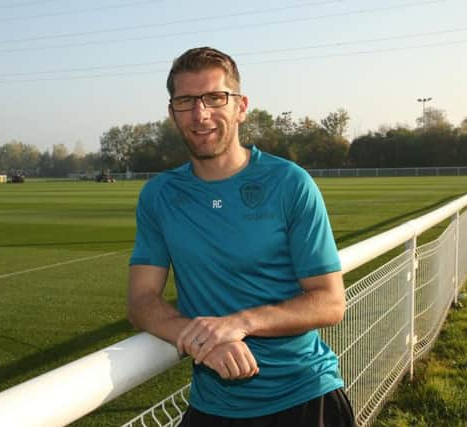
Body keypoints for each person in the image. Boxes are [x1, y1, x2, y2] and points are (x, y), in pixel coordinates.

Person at [127, 46, 355, 426]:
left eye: (215, 98)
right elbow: (140, 301)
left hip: (305, 397)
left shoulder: (289, 183)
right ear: (172, 113)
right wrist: (202, 338)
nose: (200, 114)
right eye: (185, 101)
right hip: (213, 404)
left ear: (241, 106)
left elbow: (330, 303)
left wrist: (240, 323)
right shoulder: (159, 195)